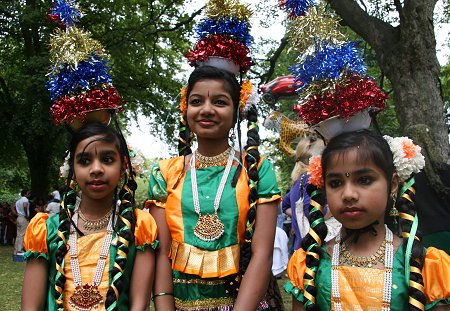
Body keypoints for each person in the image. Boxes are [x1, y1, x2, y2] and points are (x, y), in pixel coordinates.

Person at [147, 65, 281, 310]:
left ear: (236, 111)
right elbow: (161, 255)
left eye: (220, 102)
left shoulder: (258, 171)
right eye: (197, 101)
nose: (206, 110)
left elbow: (262, 255)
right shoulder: (165, 173)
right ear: (186, 109)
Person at [285, 130, 450, 310]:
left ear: (393, 184)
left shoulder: (425, 265)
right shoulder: (309, 264)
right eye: (335, 183)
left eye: (364, 180)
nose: (348, 194)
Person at [22, 122, 158, 310]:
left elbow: (139, 305)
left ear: (123, 168)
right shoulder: (46, 229)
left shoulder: (139, 227)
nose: (96, 169)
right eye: (85, 161)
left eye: (107, 159)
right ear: (72, 170)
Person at [14, 189, 29, 254]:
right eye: (28, 193)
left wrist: (17, 214)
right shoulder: (25, 200)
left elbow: (13, 207)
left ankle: (16, 250)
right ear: (25, 193)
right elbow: (25, 206)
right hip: (23, 218)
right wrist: (26, 215)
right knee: (23, 234)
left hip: (18, 217)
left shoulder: (18, 201)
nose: (29, 194)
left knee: (18, 234)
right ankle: (20, 249)